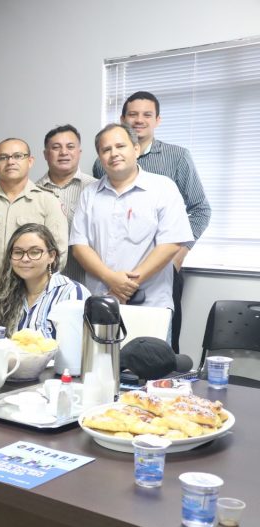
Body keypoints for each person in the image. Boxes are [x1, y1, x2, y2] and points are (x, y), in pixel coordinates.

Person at [93, 91, 211, 351]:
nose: (139, 120)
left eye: (147, 115)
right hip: (114, 274)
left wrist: (179, 252)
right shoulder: (105, 162)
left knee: (161, 343)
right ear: (122, 119)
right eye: (133, 114)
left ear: (157, 120)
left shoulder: (177, 157)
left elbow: (201, 209)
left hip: (161, 267)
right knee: (110, 343)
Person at [71, 123, 193, 315]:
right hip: (101, 300)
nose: (114, 153)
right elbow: (79, 247)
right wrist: (111, 279)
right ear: (100, 157)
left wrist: (126, 285)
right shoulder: (89, 194)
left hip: (151, 304)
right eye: (106, 150)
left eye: (120, 146)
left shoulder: (163, 187)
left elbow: (171, 244)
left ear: (136, 149)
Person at [0, 138, 67, 293]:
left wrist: (33, 286)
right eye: (3, 157)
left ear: (30, 161)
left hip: (35, 294)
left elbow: (58, 252)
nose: (10, 162)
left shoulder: (48, 201)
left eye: (18, 156)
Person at [0, 223, 89, 338]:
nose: (25, 259)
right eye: (18, 252)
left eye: (34, 252)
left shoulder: (71, 293)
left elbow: (76, 345)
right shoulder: (6, 293)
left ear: (51, 256)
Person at [37, 124, 95, 285]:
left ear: (79, 152)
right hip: (44, 284)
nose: (64, 152)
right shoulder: (33, 192)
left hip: (88, 283)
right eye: (56, 147)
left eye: (70, 147)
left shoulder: (96, 189)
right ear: (45, 154)